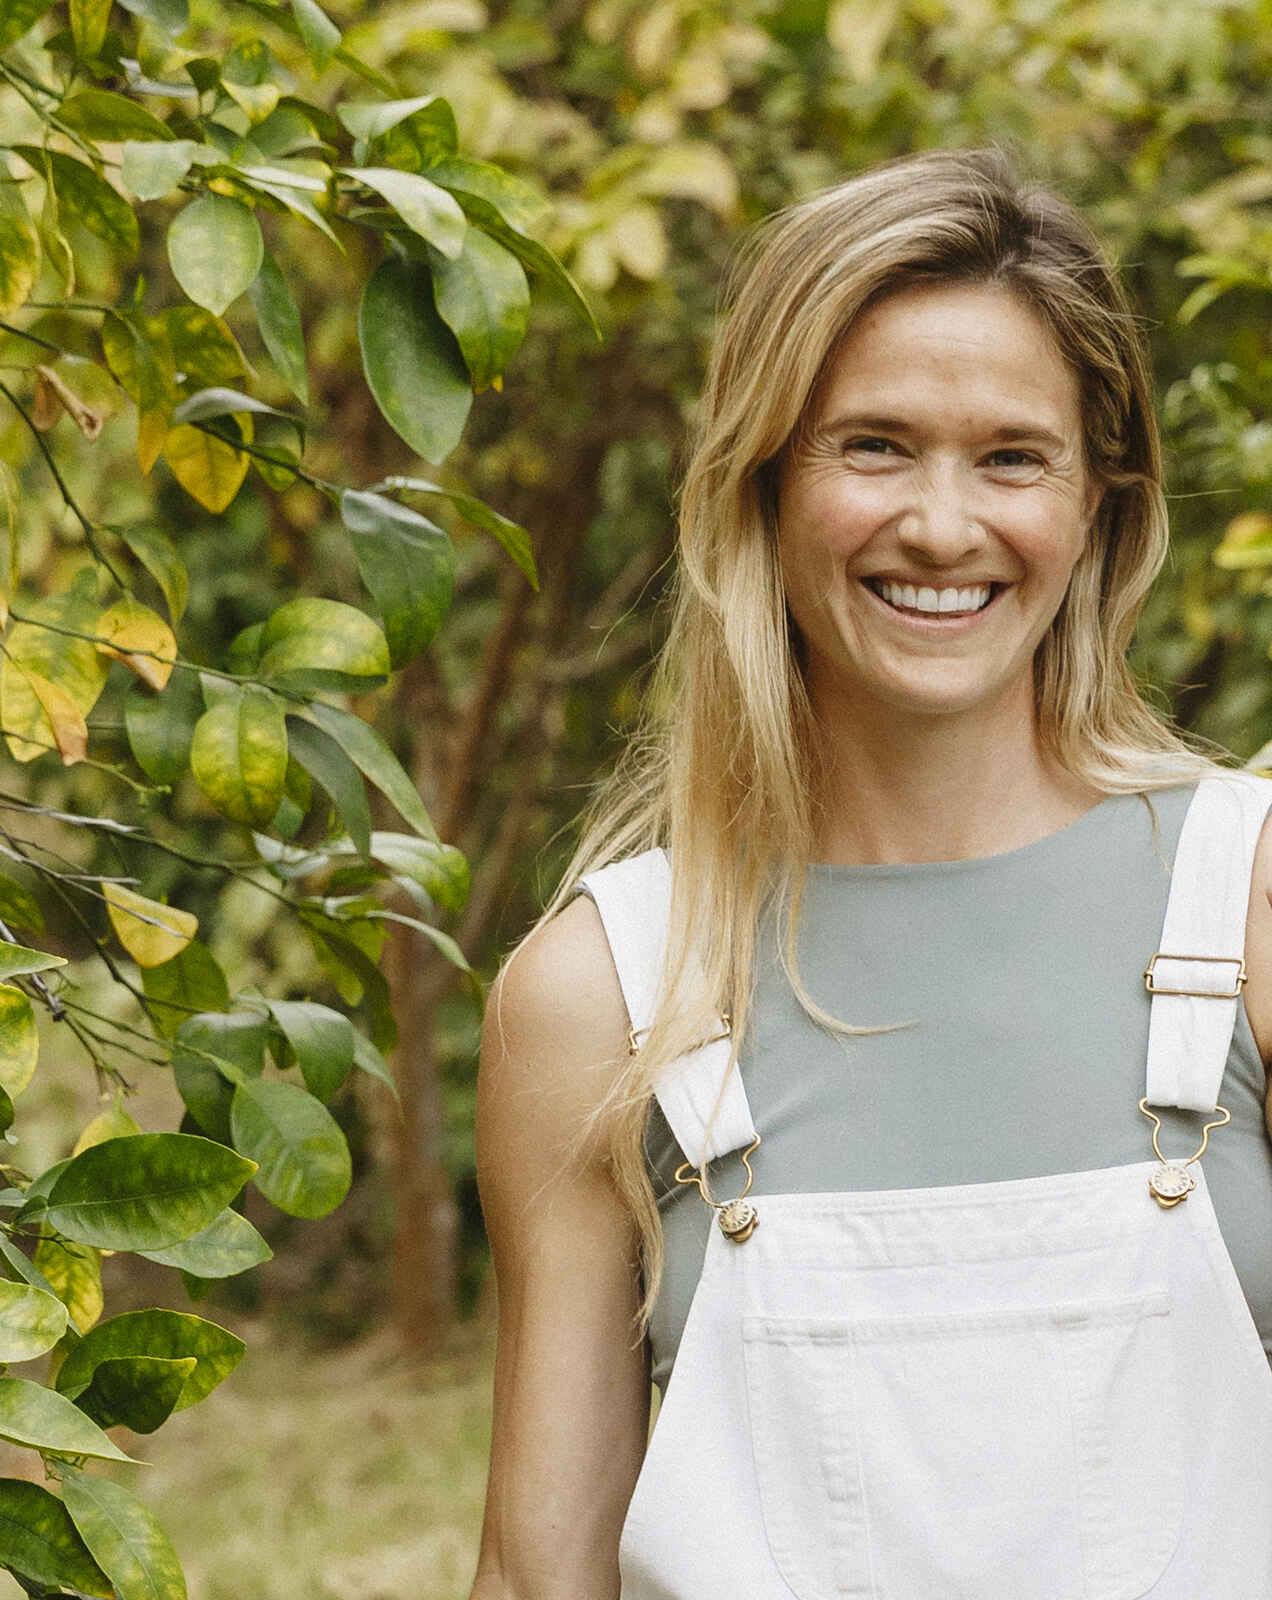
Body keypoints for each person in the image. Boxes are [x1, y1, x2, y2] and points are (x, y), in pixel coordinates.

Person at [469, 147, 1272, 1600]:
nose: (944, 527)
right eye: (875, 445)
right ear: (765, 486)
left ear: (1100, 499)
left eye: (1012, 457)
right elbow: (538, 1578)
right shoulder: (603, 990)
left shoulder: (1251, 902)